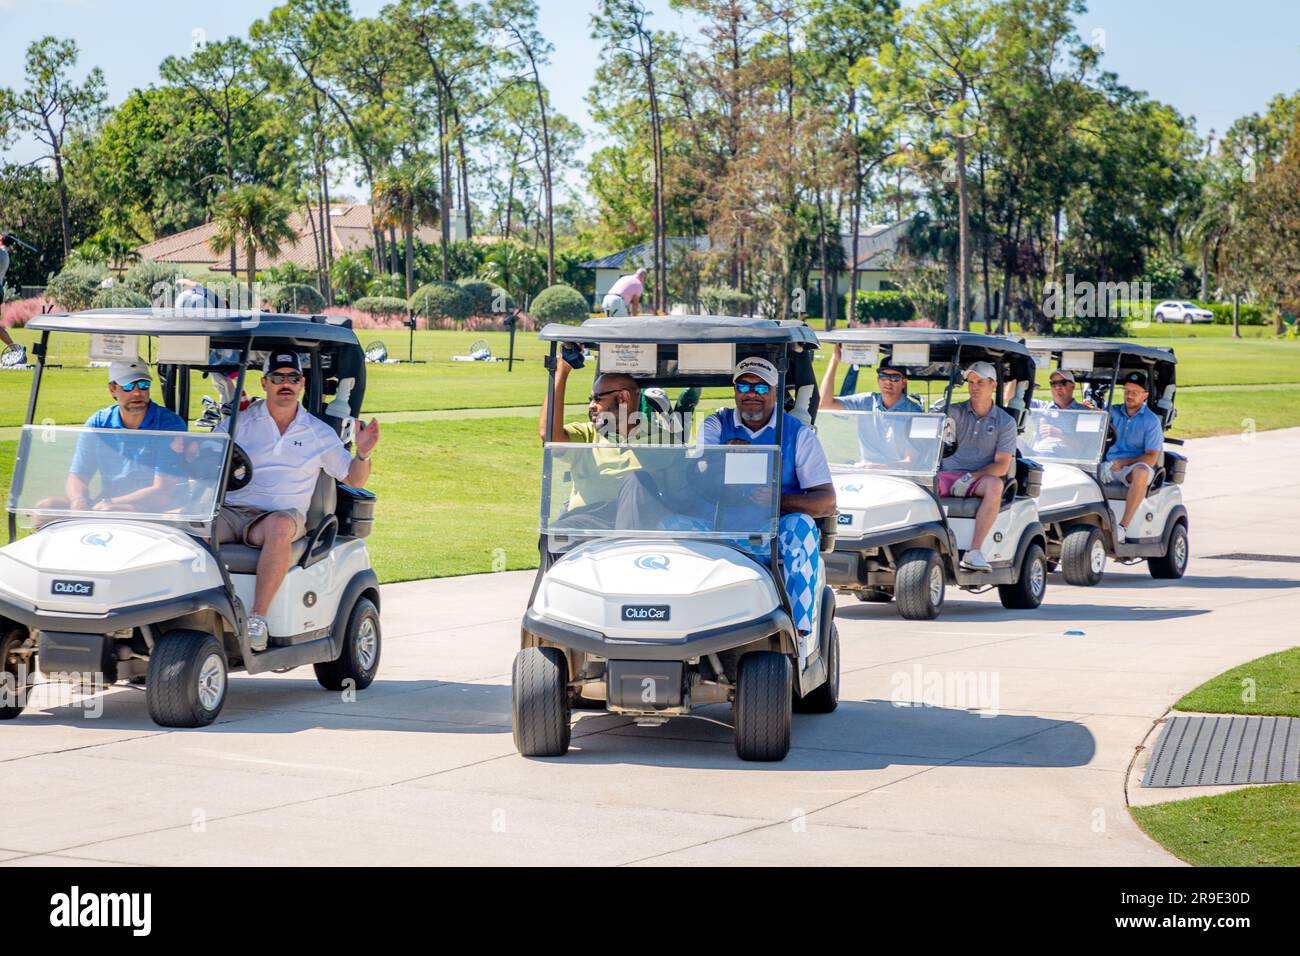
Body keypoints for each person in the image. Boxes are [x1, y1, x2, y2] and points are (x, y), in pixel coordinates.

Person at [217, 350, 380, 651]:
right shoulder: (241, 422)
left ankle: (257, 619)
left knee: (279, 526)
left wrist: (364, 452)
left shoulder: (318, 432)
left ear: (301, 383)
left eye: (292, 378)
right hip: (232, 512)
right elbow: (208, 461)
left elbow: (353, 479)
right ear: (264, 382)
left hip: (281, 518)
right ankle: (181, 609)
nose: (285, 384)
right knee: (189, 527)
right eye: (278, 378)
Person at [697, 357, 836, 637]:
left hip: (773, 532)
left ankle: (798, 630)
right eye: (744, 387)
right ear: (735, 390)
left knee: (803, 527)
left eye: (760, 388)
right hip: (720, 527)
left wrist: (777, 500)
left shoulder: (798, 434)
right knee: (667, 525)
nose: (751, 394)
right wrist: (721, 457)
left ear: (775, 391)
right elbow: (697, 475)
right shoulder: (715, 425)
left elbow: (826, 502)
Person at [36, 360, 189, 516]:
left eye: (143, 385)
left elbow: (162, 492)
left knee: (113, 511)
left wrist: (109, 503)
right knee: (45, 507)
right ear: (112, 389)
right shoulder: (98, 423)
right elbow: (78, 475)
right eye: (128, 386)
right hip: (109, 503)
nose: (137, 393)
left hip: (156, 508)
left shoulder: (170, 424)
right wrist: (78, 501)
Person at [937, 361, 1018, 572]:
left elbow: (1001, 465)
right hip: (948, 474)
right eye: (971, 382)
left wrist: (971, 477)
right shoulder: (954, 412)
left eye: (980, 382)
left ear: (993, 385)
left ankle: (974, 551)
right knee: (920, 488)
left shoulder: (1005, 422)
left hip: (979, 478)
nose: (974, 387)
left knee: (995, 486)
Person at [819, 344, 923, 464]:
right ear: (877, 380)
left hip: (897, 475)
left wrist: (877, 467)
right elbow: (824, 404)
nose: (888, 382)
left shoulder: (915, 412)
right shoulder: (865, 401)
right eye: (883, 377)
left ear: (903, 382)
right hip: (865, 472)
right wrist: (834, 360)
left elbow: (910, 462)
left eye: (895, 378)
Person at [1103, 370, 1163, 543]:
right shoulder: (1112, 412)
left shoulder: (1151, 421)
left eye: (1134, 393)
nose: (1129, 396)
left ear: (1145, 395)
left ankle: (1122, 527)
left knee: (1142, 472)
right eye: (1127, 391)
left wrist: (1123, 463)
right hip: (1107, 465)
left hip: (1130, 468)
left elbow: (1151, 457)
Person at [1029, 368, 1091, 457]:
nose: (1058, 387)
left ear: (1073, 386)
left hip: (1065, 462)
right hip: (1038, 459)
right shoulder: (1041, 407)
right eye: (1053, 384)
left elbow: (1083, 446)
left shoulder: (1084, 412)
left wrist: (1060, 434)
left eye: (1063, 383)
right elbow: (1011, 398)